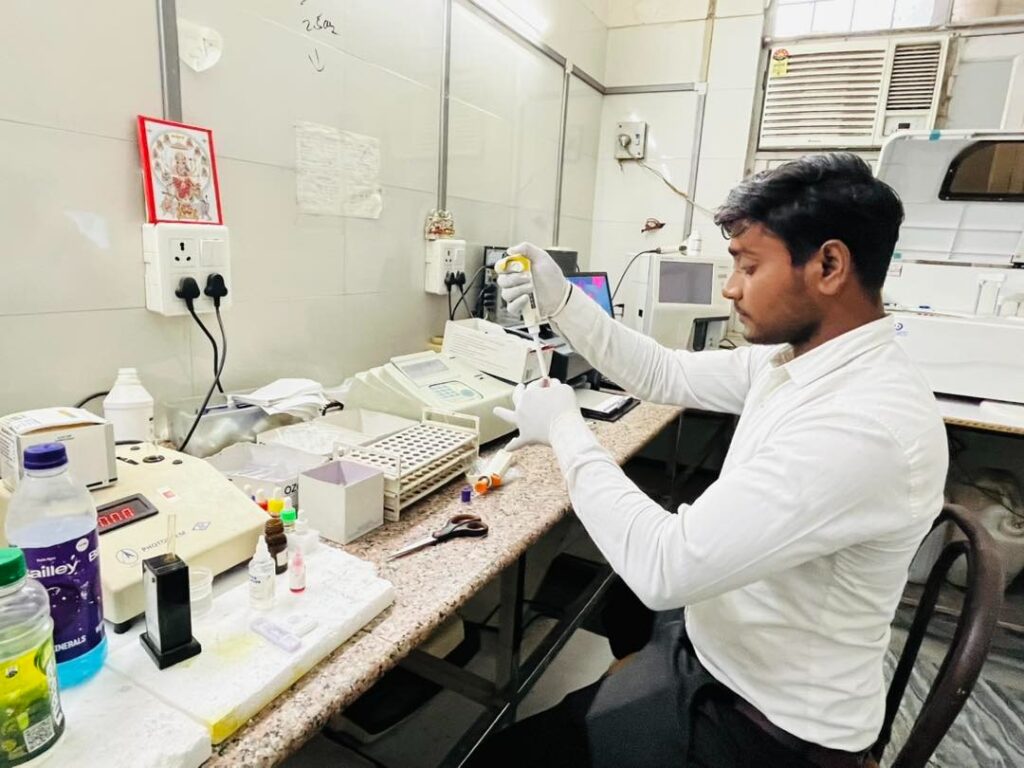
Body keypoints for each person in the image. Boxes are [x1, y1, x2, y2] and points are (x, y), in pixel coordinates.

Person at [471, 153, 948, 768]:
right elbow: (661, 371)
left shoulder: (863, 423)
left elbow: (664, 567)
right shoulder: (804, 360)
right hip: (725, 654)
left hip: (767, 726)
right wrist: (560, 298)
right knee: (624, 609)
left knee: (503, 758)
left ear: (829, 265)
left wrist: (563, 428)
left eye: (749, 266)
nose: (730, 288)